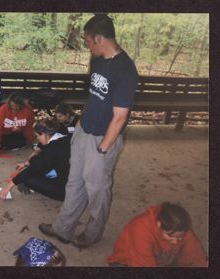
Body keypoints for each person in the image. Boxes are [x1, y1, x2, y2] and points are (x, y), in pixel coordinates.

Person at [38, 14, 138, 248]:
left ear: (99, 38)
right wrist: (80, 123)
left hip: (103, 139)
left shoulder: (125, 69)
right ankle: (63, 229)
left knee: (97, 189)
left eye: (87, 40)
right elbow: (94, 96)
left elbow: (120, 116)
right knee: (74, 182)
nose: (86, 45)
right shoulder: (98, 60)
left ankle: (93, 233)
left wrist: (102, 149)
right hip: (84, 131)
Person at [107, 202, 208, 267]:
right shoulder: (140, 229)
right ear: (159, 224)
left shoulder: (183, 230)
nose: (175, 241)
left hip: (160, 262)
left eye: (180, 237)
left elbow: (198, 258)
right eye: (170, 236)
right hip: (128, 262)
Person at [0, 119, 70, 201]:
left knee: (28, 178)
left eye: (37, 136)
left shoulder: (52, 149)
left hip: (67, 192)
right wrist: (26, 163)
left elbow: (34, 168)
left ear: (43, 134)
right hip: (76, 181)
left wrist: (9, 186)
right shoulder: (66, 136)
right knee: (42, 167)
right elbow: (42, 157)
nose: (37, 139)